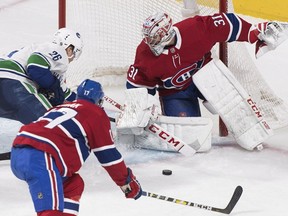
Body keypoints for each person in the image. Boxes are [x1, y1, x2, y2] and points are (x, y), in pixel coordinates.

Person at [120, 11, 285, 151]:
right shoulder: (144, 54)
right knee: (191, 139)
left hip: (207, 75)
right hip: (175, 92)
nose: (150, 43)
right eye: (150, 38)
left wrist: (253, 32)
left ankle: (254, 135)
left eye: (155, 38)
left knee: (234, 106)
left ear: (166, 34)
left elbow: (227, 23)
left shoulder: (194, 29)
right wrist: (142, 108)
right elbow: (138, 83)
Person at [10, 79, 142, 216]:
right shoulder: (96, 113)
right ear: (99, 100)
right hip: (41, 157)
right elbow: (108, 155)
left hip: (19, 153)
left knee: (73, 184)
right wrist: (126, 182)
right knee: (50, 213)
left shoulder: (59, 107)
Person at [0, 27, 83, 125]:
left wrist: (88, 101)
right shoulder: (58, 49)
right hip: (14, 81)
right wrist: (53, 86)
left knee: (34, 130)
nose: (73, 58)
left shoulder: (41, 53)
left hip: (5, 82)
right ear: (69, 49)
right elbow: (35, 67)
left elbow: (65, 94)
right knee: (54, 125)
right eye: (75, 52)